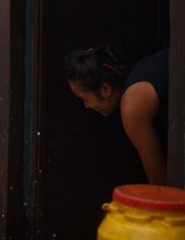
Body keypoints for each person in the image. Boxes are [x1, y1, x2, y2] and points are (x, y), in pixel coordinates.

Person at [64, 45, 169, 185]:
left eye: (85, 99)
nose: (86, 106)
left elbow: (159, 181)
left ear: (106, 89)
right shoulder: (141, 74)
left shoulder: (132, 104)